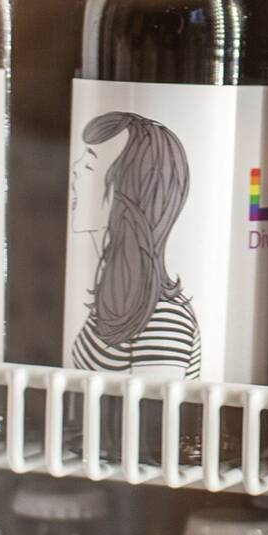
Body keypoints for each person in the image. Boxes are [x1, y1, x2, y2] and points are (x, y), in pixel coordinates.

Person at [67, 109, 202, 375]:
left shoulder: (164, 321)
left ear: (131, 192)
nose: (74, 170)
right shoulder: (117, 295)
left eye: (89, 165)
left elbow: (156, 404)